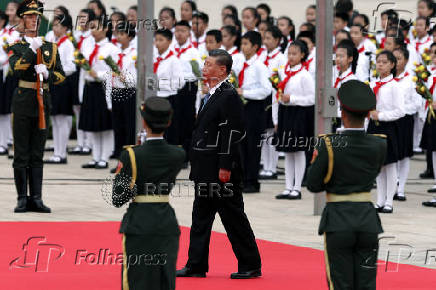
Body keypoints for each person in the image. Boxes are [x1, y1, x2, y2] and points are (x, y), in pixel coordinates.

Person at [177, 49, 261, 279]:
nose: (204, 69)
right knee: (200, 217)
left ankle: (250, 263)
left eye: (208, 65)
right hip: (205, 168)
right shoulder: (213, 94)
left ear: (222, 70)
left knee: (233, 218)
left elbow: (231, 133)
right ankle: (196, 264)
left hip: (222, 171)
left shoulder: (228, 96)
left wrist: (226, 166)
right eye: (204, 64)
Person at [306, 79, 385, 290]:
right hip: (368, 221)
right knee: (367, 284)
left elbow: (313, 184)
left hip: (338, 221)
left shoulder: (329, 144)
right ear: (368, 115)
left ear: (342, 113)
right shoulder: (379, 144)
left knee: (340, 283)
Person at [112, 97, 185, 290]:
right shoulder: (178, 154)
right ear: (169, 122)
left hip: (139, 223)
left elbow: (118, 198)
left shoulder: (131, 155)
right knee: (164, 281)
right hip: (166, 222)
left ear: (144, 121)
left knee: (137, 280)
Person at [9, 0, 66, 213]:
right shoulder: (17, 45)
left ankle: (37, 198)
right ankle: (22, 198)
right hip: (24, 100)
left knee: (37, 152)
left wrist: (49, 74)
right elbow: (16, 69)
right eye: (29, 17)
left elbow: (61, 75)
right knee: (21, 152)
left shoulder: (51, 47)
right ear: (22, 20)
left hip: (43, 101)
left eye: (36, 17)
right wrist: (32, 51)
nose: (33, 20)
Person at [275, 40, 315, 200]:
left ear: (302, 55)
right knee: (287, 150)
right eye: (289, 53)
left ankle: (297, 187)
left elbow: (311, 99)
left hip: (299, 115)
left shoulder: (305, 75)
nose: (290, 56)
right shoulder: (283, 74)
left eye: (294, 53)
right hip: (286, 113)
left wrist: (292, 98)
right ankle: (287, 186)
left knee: (298, 151)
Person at [368, 50, 404, 213]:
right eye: (379, 61)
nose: (380, 65)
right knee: (378, 165)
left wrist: (381, 115)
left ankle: (389, 200)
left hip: (389, 126)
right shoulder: (373, 83)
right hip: (374, 126)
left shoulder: (395, 86)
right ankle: (380, 200)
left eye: (384, 62)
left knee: (389, 165)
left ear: (392, 65)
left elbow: (400, 111)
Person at [79, 16, 118, 169]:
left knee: (105, 125)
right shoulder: (88, 47)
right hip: (90, 87)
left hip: (104, 88)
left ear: (106, 29)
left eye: (96, 27)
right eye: (91, 27)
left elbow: (115, 71)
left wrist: (99, 75)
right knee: (93, 125)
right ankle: (95, 157)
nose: (92, 30)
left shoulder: (111, 49)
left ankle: (104, 157)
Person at [235, 31, 271, 193]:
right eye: (242, 44)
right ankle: (242, 178)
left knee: (252, 145)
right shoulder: (241, 64)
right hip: (242, 109)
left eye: (246, 44)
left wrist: (245, 93)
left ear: (255, 47)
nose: (243, 47)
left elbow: (266, 90)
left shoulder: (259, 67)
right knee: (241, 144)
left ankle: (252, 180)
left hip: (254, 109)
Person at [44, 14, 75, 164]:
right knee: (55, 119)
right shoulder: (52, 41)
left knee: (62, 119)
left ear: (65, 28)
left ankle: (61, 153)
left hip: (62, 84)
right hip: (52, 83)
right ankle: (57, 151)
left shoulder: (67, 44)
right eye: (54, 25)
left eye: (58, 26)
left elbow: (71, 66)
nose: (55, 28)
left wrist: (56, 72)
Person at [108, 22, 137, 173]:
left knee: (129, 128)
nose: (118, 37)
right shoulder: (115, 52)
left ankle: (130, 163)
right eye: (117, 34)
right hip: (116, 90)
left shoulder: (134, 52)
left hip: (129, 92)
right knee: (118, 127)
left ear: (130, 36)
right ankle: (120, 162)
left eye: (122, 34)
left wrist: (127, 79)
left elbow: (137, 75)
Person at [259, 26, 287, 180]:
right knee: (264, 134)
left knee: (272, 133)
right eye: (265, 38)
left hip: (274, 98)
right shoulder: (263, 56)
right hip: (263, 97)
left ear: (277, 40)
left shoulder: (281, 58)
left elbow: (280, 81)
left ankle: (272, 167)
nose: (266, 41)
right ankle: (265, 165)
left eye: (269, 38)